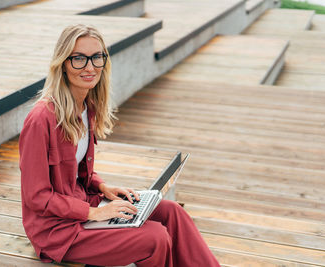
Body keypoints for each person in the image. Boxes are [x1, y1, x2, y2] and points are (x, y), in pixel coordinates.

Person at [19, 24, 220, 267]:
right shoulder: (41, 120)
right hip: (57, 231)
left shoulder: (87, 107)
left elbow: (79, 174)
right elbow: (37, 197)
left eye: (96, 57)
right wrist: (94, 213)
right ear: (62, 63)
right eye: (79, 59)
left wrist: (103, 187)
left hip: (84, 204)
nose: (90, 67)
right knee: (155, 238)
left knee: (172, 213)